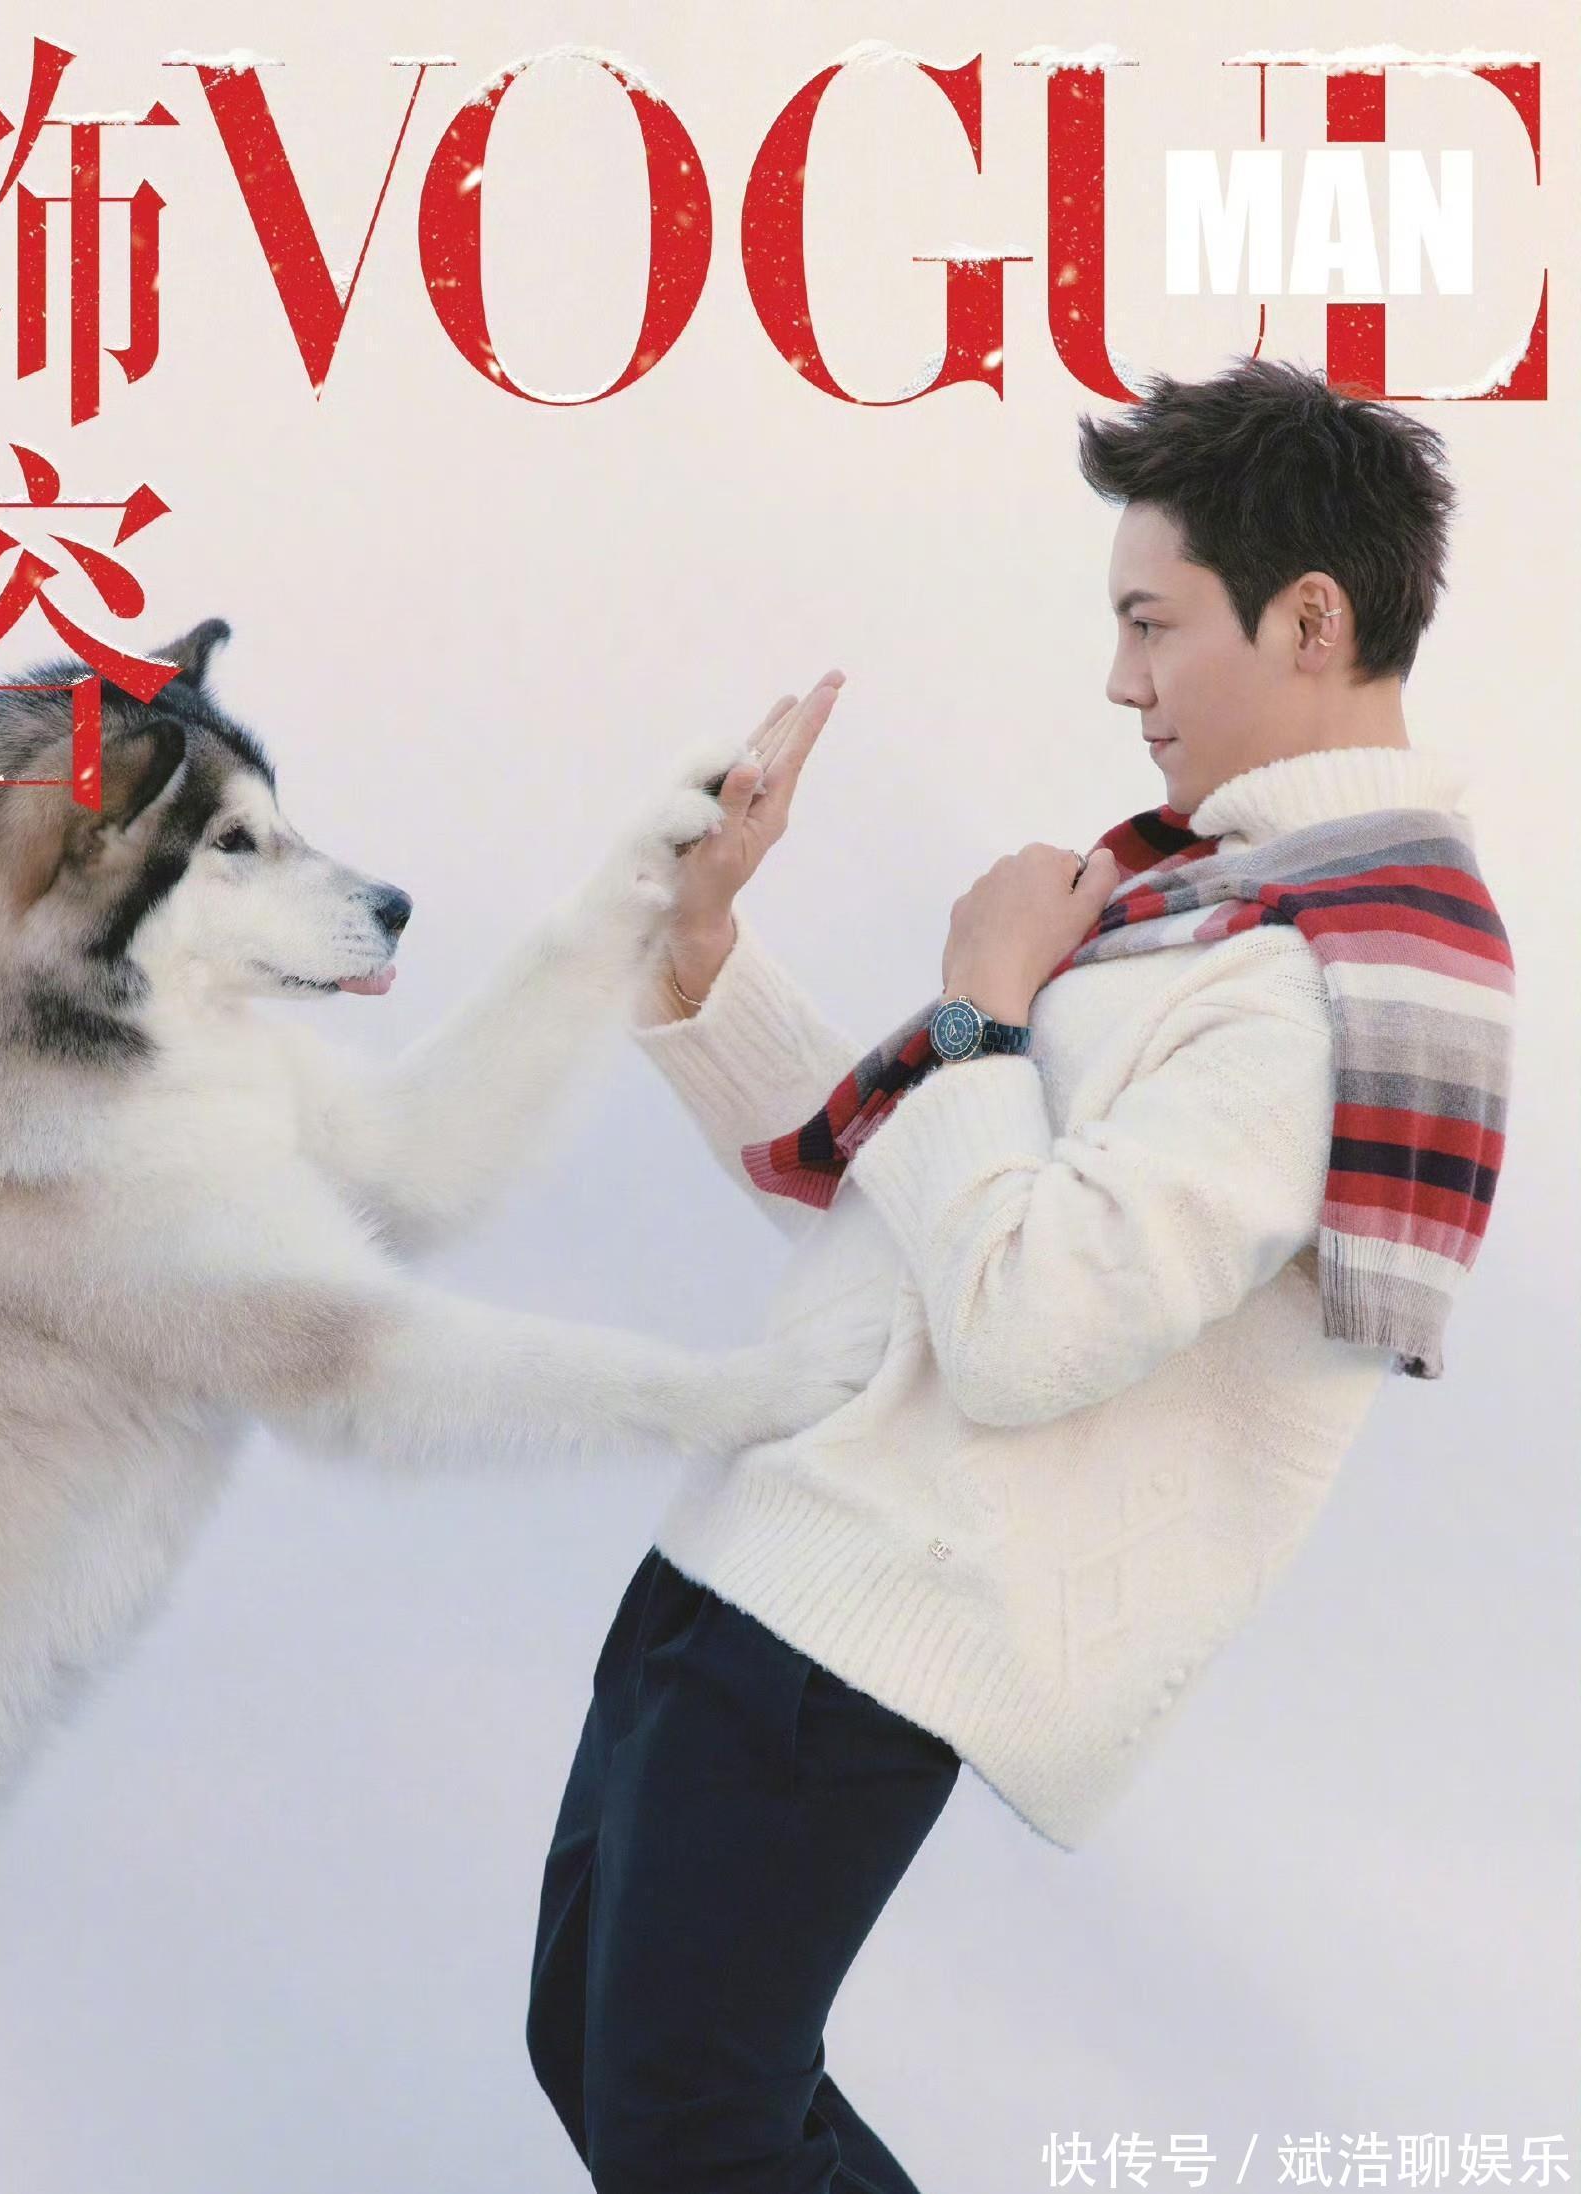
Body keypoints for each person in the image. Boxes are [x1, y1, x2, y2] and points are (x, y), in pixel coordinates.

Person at [524, 358, 1490, 2193]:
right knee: (606, 2058)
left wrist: (984, 1006)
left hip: (871, 1611)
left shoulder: (1325, 983)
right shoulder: (1211, 901)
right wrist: (709, 941)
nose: (1121, 680)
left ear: (1310, 620)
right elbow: (929, 1220)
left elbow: (1025, 1323)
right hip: (759, 1547)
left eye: (1152, 622)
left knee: (692, 2124)